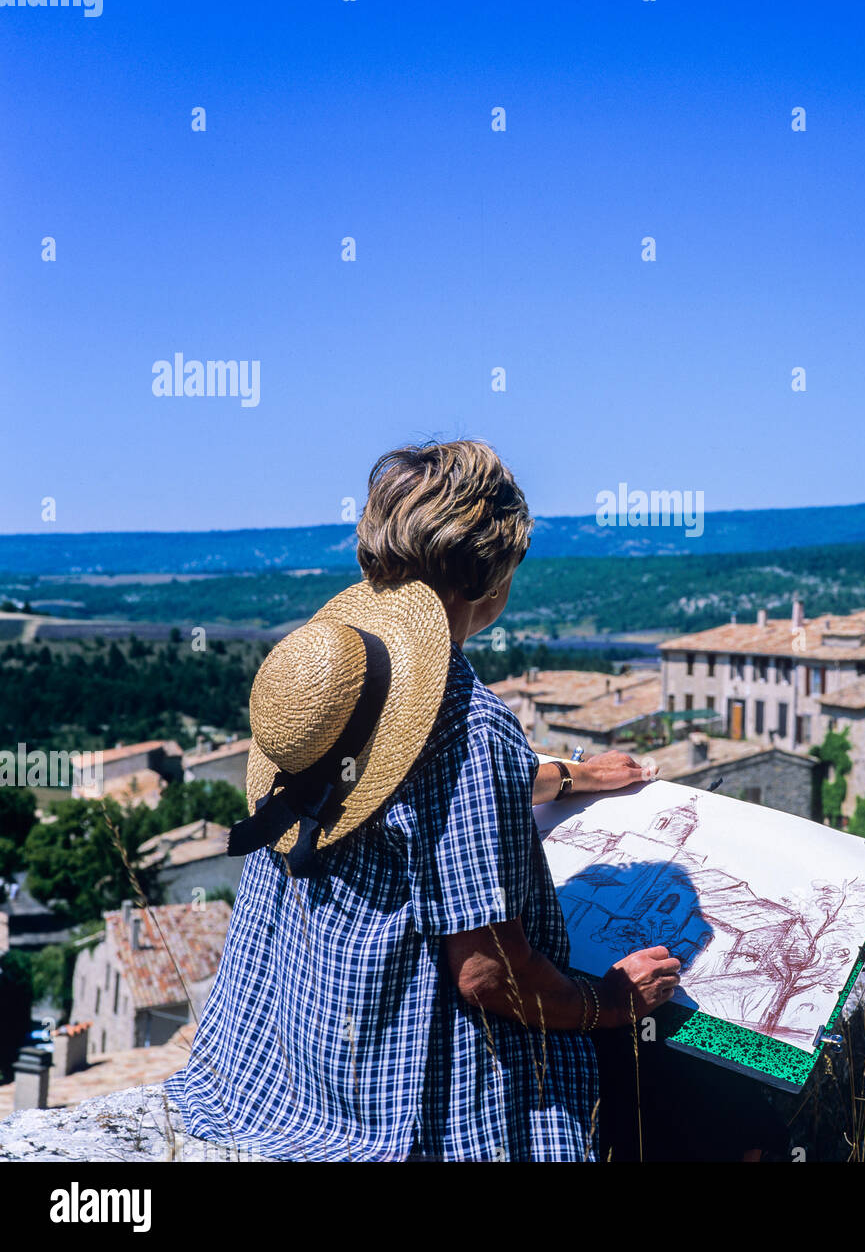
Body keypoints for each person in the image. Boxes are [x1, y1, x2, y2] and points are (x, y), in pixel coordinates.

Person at [164, 439, 678, 1161]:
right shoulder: (470, 727)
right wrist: (614, 1003)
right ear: (491, 577)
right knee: (712, 1106)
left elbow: (402, 794)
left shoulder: (339, 665)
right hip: (389, 1104)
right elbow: (487, 975)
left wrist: (568, 775)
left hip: (269, 1072)